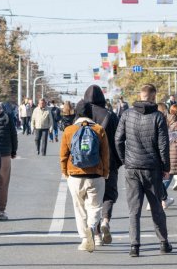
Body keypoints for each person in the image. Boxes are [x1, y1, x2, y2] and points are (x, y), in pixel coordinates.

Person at [114, 84, 171, 258]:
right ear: (153, 97)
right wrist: (166, 167)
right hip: (152, 168)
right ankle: (163, 243)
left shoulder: (126, 114)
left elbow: (118, 140)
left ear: (140, 95)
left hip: (132, 168)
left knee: (134, 209)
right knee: (157, 208)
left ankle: (134, 246)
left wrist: (125, 160)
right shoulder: (158, 116)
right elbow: (163, 145)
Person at [59, 101, 109, 252]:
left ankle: (84, 239)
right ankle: (92, 227)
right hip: (96, 174)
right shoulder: (99, 129)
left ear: (76, 113)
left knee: (79, 207)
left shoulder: (69, 130)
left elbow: (63, 154)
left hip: (75, 174)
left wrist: (65, 172)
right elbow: (105, 154)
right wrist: (105, 172)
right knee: (95, 206)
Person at [83, 85, 121, 245]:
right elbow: (119, 138)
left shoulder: (82, 116)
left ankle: (96, 233)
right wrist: (119, 160)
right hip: (109, 161)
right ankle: (105, 220)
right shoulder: (110, 116)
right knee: (109, 195)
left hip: (86, 163)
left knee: (92, 199)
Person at [165, 104, 177, 194]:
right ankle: (157, 197)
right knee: (169, 177)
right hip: (176, 153)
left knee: (170, 175)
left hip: (170, 152)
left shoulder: (168, 121)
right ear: (176, 112)